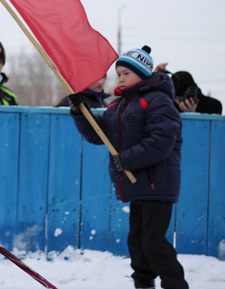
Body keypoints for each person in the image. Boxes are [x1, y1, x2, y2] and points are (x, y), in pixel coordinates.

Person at [68, 46, 188, 289]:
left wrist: (125, 160)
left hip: (156, 184)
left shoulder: (159, 102)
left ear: (143, 74)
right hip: (137, 186)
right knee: (138, 245)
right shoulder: (119, 104)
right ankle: (144, 285)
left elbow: (161, 142)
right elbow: (98, 134)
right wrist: (80, 111)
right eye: (119, 73)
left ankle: (176, 285)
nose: (120, 78)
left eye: (126, 74)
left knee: (153, 243)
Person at [154, 63, 222, 114]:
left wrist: (192, 116)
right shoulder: (170, 106)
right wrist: (155, 76)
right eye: (175, 98)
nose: (177, 102)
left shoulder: (213, 106)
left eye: (179, 99)